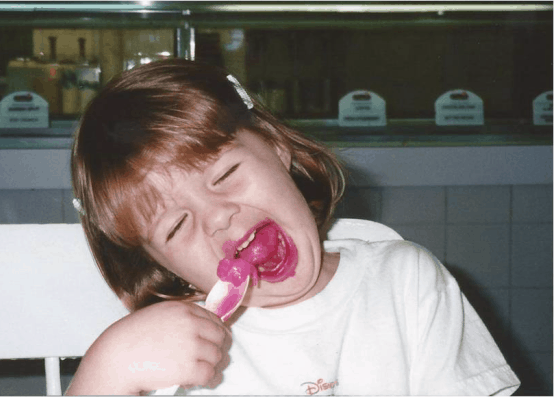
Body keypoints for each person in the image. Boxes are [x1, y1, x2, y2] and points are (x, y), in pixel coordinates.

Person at [66, 59, 520, 395]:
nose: (217, 215)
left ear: (276, 147)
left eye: (224, 175)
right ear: (160, 263)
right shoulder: (173, 350)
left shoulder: (405, 284)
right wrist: (104, 373)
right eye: (176, 226)